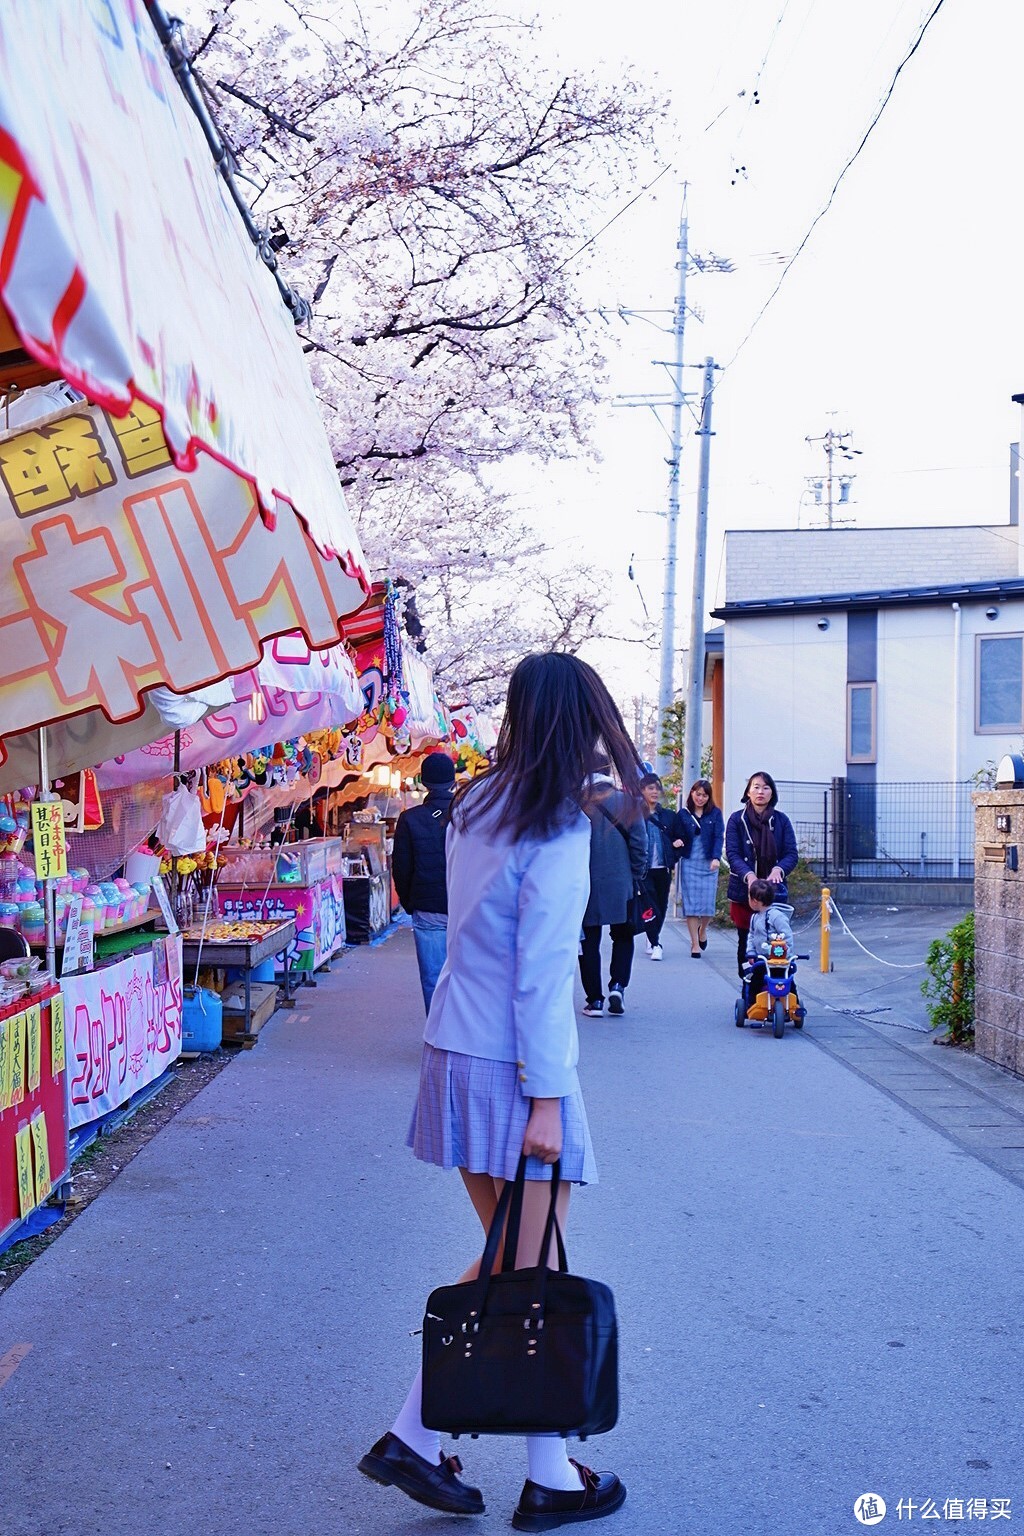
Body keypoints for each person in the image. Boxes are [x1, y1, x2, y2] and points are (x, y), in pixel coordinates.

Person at [358, 652, 638, 1530]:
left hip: (459, 1046)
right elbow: (543, 972)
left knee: (527, 1258)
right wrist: (549, 1097)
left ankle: (539, 1465)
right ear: (579, 723)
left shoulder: (477, 805)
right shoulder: (556, 826)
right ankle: (429, 1438)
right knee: (527, 1258)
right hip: (516, 1067)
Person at [578, 759, 648, 1016]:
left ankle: (594, 999)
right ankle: (618, 985)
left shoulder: (576, 803)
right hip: (621, 881)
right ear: (608, 772)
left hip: (585, 883)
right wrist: (636, 874)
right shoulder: (628, 802)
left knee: (589, 940)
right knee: (623, 935)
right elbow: (640, 843)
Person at [392, 752, 457, 1013]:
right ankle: (461, 1038)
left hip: (427, 908)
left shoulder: (410, 818)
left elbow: (401, 867)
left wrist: (411, 904)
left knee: (433, 979)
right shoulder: (470, 813)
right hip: (465, 907)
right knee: (466, 978)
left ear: (424, 781)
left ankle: (438, 1038)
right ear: (453, 782)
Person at [724, 770, 799, 978]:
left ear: (772, 793)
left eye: (766, 788)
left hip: (773, 893)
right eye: (756, 787)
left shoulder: (781, 821)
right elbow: (733, 853)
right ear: (748, 792)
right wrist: (748, 876)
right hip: (744, 891)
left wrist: (779, 869)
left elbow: (791, 853)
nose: (760, 792)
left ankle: (778, 987)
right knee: (746, 938)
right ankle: (749, 986)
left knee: (777, 940)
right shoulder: (736, 820)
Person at [675, 778, 725, 959]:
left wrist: (716, 857)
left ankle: (703, 930)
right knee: (691, 904)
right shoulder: (683, 814)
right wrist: (676, 840)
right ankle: (694, 943)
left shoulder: (715, 814)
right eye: (698, 794)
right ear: (692, 793)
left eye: (704, 795)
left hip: (708, 862)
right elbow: (676, 832)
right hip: (689, 862)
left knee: (707, 904)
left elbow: (719, 836)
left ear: (709, 797)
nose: (700, 798)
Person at [638, 772, 680, 962]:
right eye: (650, 788)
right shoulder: (635, 815)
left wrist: (675, 852)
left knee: (661, 905)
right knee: (650, 904)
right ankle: (656, 943)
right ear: (642, 791)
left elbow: (682, 838)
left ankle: (652, 936)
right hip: (643, 869)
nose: (655, 792)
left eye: (657, 788)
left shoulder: (669, 816)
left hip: (663, 867)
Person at [742, 877, 797, 1009]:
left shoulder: (777, 916)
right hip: (763, 960)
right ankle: (752, 1004)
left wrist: (787, 952)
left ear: (754, 901)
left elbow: (787, 935)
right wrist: (751, 952)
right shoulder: (755, 917)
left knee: (788, 980)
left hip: (780, 959)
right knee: (756, 979)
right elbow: (751, 936)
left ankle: (795, 1006)